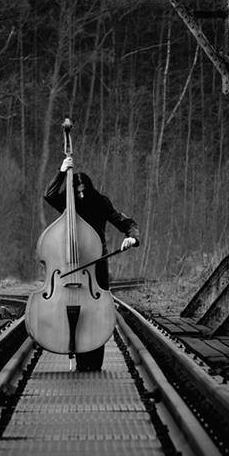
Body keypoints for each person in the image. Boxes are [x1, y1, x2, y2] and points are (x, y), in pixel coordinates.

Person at [43, 156, 141, 371]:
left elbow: (125, 222)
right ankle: (70, 345)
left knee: (96, 313)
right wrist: (61, 172)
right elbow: (49, 195)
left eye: (84, 190)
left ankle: (94, 360)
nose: (81, 194)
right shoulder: (67, 202)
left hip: (97, 266)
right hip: (70, 266)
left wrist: (132, 237)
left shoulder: (100, 201)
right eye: (77, 190)